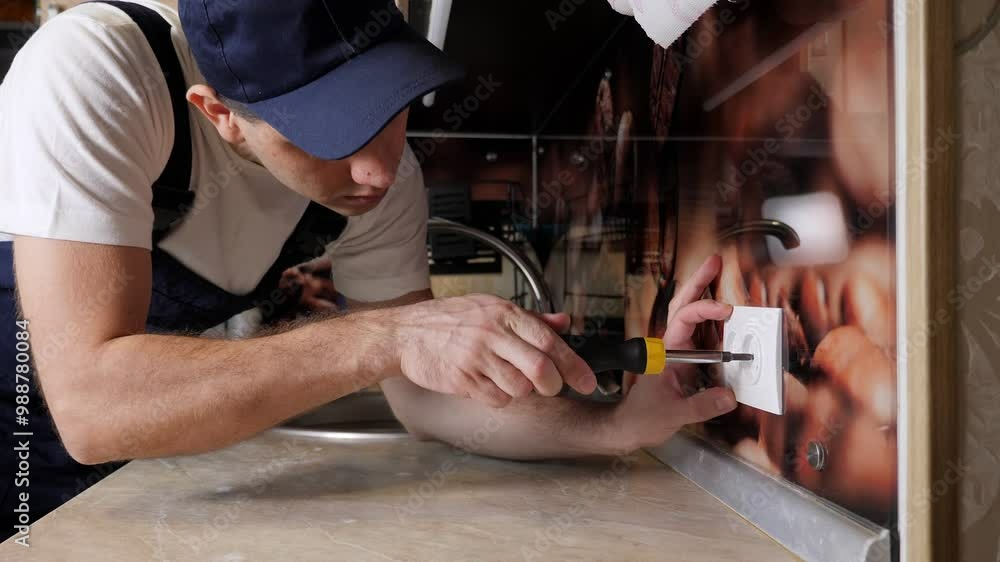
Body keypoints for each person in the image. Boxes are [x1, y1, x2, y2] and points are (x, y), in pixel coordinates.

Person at [0, 0, 737, 537]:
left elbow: (424, 403)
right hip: (24, 441)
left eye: (386, 105)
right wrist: (385, 337)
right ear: (218, 113)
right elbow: (94, 408)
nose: (378, 167)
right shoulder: (94, 72)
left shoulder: (381, 185)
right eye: (326, 130)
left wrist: (610, 426)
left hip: (143, 464)